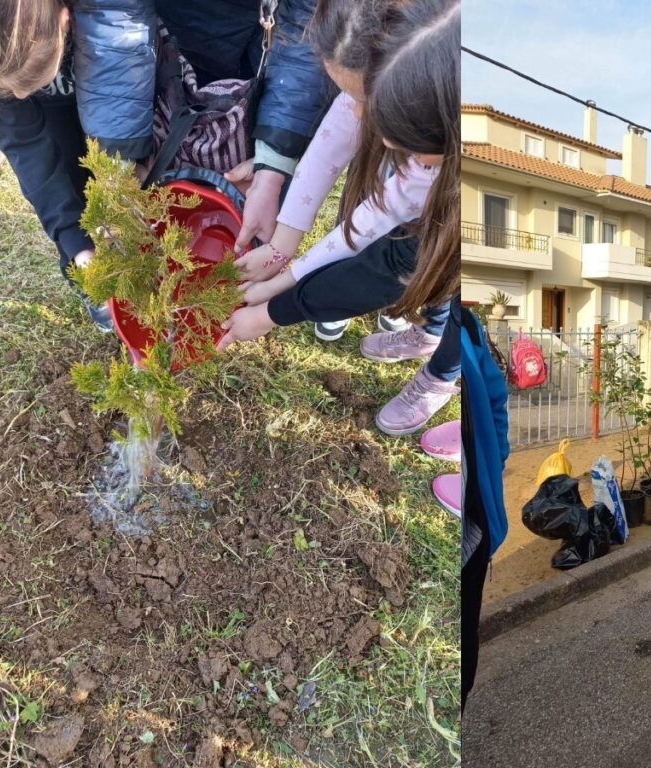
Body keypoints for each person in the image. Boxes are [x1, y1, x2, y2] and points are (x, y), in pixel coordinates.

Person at [0, 0, 327, 331]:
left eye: (29, 83)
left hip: (168, 65)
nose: (18, 95)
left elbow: (121, 47)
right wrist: (76, 240)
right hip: (105, 103)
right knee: (91, 199)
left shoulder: (89, 29)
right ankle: (102, 294)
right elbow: (29, 148)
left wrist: (275, 165)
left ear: (66, 20)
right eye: (10, 91)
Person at [218, 0, 461, 437]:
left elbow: (384, 264)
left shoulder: (440, 177)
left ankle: (442, 369)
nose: (371, 127)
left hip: (447, 245)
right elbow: (362, 207)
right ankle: (428, 329)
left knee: (453, 295)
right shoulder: (406, 62)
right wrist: (283, 257)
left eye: (369, 104)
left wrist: (274, 311)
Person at [460, 305, 509, 712]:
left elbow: (495, 399)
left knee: (464, 643)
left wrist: (497, 459)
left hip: (471, 520)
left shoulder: (467, 324)